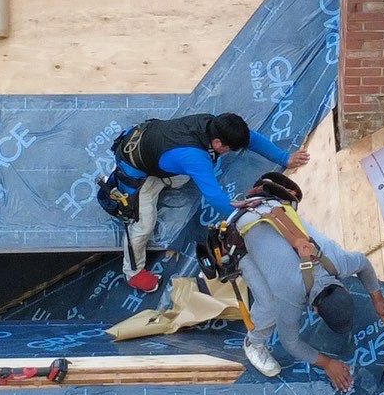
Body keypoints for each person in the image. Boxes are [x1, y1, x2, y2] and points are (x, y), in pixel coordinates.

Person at [222, 173, 384, 392]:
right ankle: (254, 343)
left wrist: (379, 300)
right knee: (269, 307)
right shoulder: (291, 296)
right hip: (241, 237)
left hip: (271, 208)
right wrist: (328, 363)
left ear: (341, 284)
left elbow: (362, 262)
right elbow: (290, 343)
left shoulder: (338, 263)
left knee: (279, 266)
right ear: (313, 309)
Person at [100, 110, 308, 287]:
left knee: (184, 177)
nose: (230, 152)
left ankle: (161, 177)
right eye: (229, 149)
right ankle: (133, 272)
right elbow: (214, 196)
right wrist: (247, 221)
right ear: (218, 143)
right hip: (133, 167)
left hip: (152, 145)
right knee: (143, 225)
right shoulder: (195, 157)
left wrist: (284, 158)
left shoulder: (213, 124)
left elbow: (249, 138)